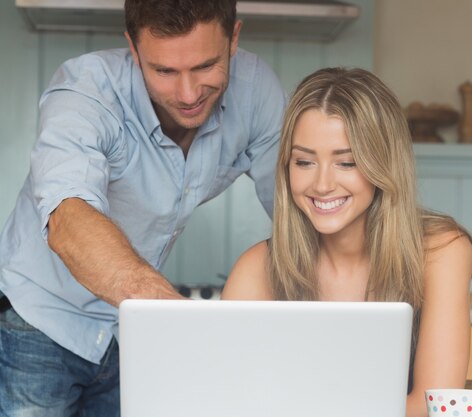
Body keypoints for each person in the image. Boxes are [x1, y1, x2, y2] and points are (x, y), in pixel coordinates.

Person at [0, 0, 286, 415]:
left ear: (234, 39)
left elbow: (297, 207)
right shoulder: (86, 92)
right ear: (133, 50)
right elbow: (69, 218)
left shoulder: (256, 90)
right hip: (37, 325)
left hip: (126, 331)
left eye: (206, 66)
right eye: (164, 71)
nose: (189, 94)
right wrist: (187, 326)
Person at [221, 67, 472, 417]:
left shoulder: (442, 251)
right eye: (304, 161)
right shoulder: (256, 269)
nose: (322, 184)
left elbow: (435, 406)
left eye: (346, 162)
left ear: (383, 163)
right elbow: (229, 401)